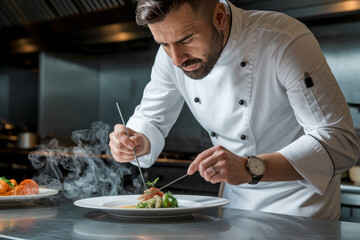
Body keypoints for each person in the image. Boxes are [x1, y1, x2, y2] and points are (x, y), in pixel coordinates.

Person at [109, 0, 360, 219]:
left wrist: (249, 167)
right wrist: (137, 140)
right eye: (163, 44)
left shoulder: (282, 39)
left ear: (219, 17)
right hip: (235, 209)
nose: (176, 59)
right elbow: (150, 118)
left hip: (301, 210)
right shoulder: (171, 57)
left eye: (186, 39)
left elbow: (340, 142)